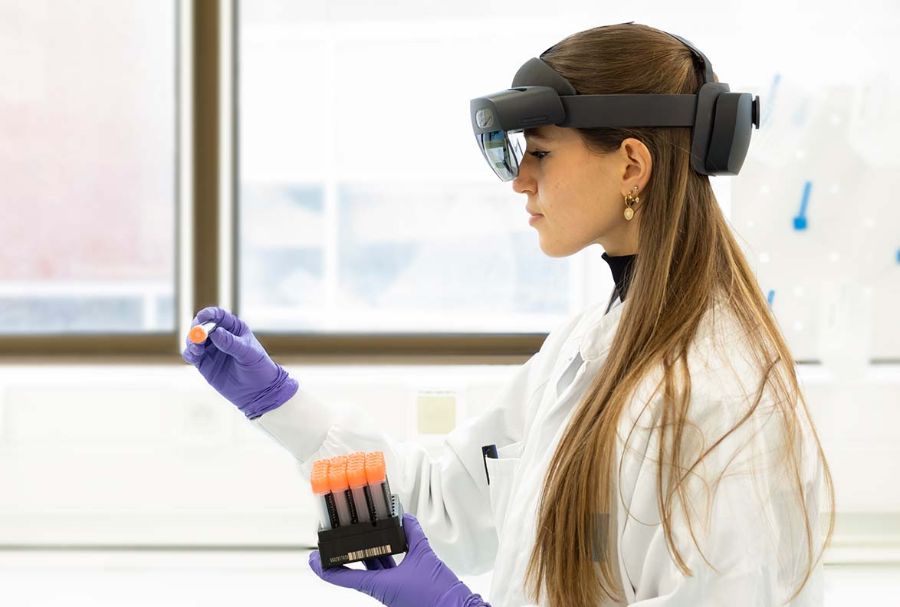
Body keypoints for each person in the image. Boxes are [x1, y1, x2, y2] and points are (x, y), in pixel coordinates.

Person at [183, 22, 833, 607]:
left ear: (632, 164)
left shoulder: (714, 396)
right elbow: (445, 506)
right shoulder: (584, 348)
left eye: (542, 152)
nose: (522, 179)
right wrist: (279, 405)